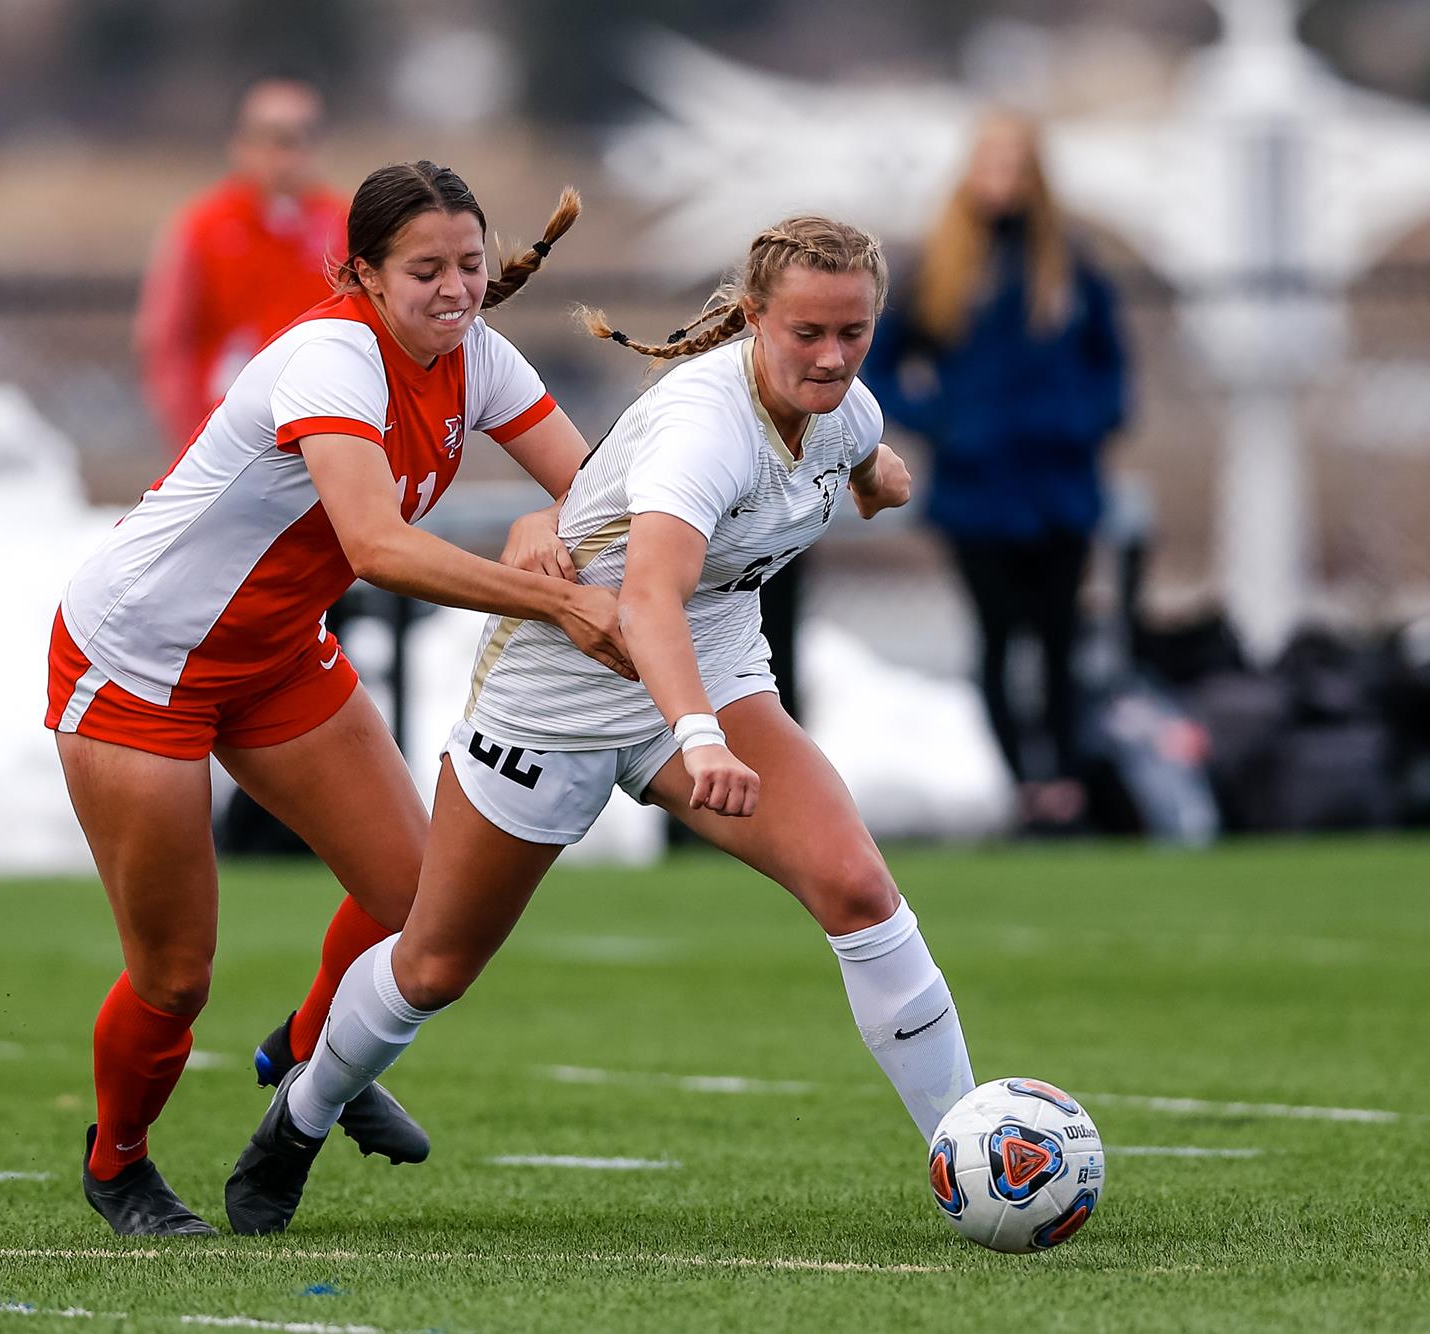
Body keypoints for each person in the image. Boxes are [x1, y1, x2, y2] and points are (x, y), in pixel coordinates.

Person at [223, 216, 977, 1236]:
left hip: (704, 674)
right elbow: (649, 598)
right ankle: (297, 1117)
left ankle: (968, 1152)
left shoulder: (843, 406)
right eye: (806, 332)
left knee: (856, 887)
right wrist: (698, 736)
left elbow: (855, 455)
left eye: (854, 331)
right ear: (753, 319)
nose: (832, 355)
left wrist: (876, 476)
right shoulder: (701, 427)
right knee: (433, 963)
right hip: (558, 693)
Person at [47, 160, 634, 1236]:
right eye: (424, 270)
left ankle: (312, 1051)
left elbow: (599, 490)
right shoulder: (329, 357)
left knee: (418, 896)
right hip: (138, 658)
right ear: (360, 272)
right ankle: (118, 1162)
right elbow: (377, 546)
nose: (455, 289)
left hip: (271, 652)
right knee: (175, 977)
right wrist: (552, 602)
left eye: (467, 262)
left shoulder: (477, 356)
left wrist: (564, 521)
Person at [857, 111, 1129, 832]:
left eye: (1016, 165)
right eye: (991, 163)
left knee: (1062, 638)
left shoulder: (1069, 263)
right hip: (979, 490)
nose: (1002, 179)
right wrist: (944, 420)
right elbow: (878, 364)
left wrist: (1087, 419)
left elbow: (1112, 364)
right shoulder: (942, 265)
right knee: (999, 638)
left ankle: (1067, 783)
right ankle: (1024, 785)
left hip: (1062, 486)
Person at [135, 79, 348, 455]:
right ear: (241, 143)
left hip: (326, 429)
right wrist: (190, 433)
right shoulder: (203, 227)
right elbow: (166, 336)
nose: (284, 155)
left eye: (299, 138)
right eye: (271, 138)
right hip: (225, 431)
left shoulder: (344, 224)